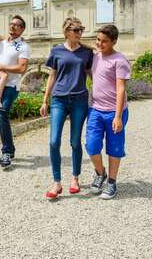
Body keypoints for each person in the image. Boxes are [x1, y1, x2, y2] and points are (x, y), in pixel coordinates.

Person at [40, 18, 93, 199]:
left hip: (79, 100)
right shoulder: (57, 51)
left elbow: (92, 75)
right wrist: (45, 100)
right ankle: (56, 182)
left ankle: (75, 178)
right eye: (76, 30)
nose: (79, 33)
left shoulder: (87, 52)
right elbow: (52, 76)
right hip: (59, 100)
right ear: (67, 31)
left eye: (81, 29)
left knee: (75, 142)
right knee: (54, 141)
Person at [85, 24, 131, 199]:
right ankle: (100, 172)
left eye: (104, 41)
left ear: (114, 41)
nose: (100, 44)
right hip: (95, 109)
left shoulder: (120, 60)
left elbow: (121, 89)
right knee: (91, 145)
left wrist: (118, 116)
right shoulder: (95, 57)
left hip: (114, 112)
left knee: (114, 148)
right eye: (98, 40)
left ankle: (112, 183)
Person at [0, 15, 30, 167]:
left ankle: (6, 152)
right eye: (11, 24)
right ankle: (9, 150)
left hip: (11, 87)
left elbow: (22, 68)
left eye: (16, 25)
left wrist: (1, 67)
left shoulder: (23, 47)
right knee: (0, 118)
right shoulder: (1, 44)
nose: (12, 27)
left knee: (1, 115)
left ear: (22, 29)